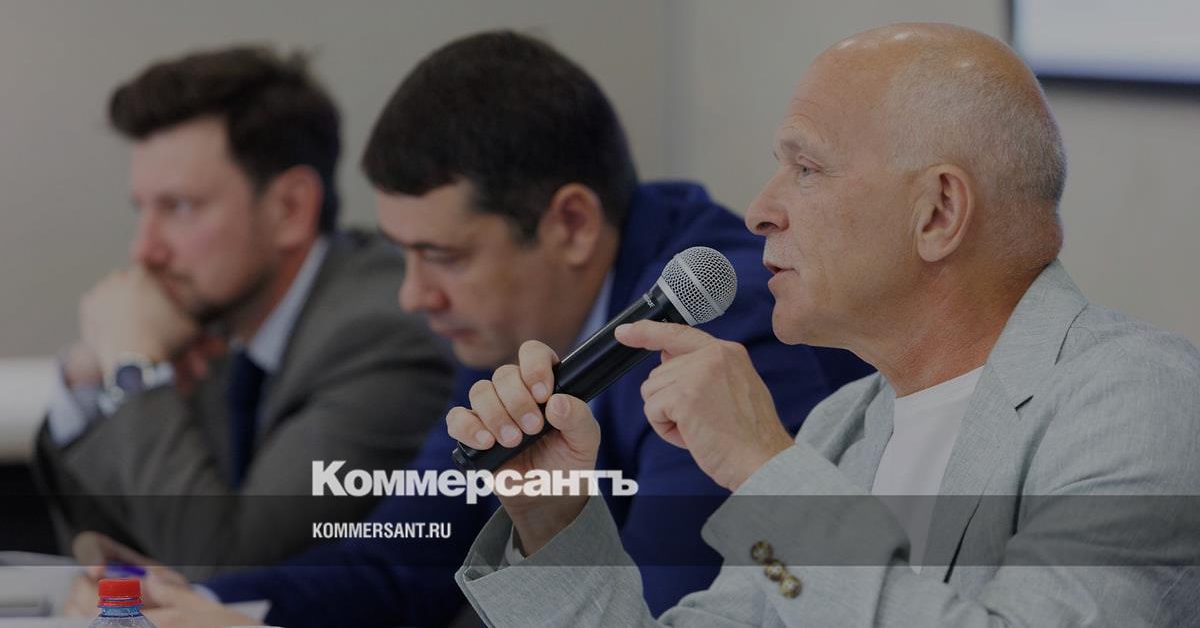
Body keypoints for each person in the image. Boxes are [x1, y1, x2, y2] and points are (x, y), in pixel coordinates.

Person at [100, 31, 872, 627]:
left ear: (571, 223)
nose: (413, 295)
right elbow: (405, 559)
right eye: (404, 253)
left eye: (442, 255)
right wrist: (196, 604)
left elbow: (653, 609)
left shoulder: (724, 328)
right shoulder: (512, 320)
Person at [447, 23, 1200, 626]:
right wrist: (555, 514)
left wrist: (763, 468)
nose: (759, 210)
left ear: (938, 212)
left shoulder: (1138, 397)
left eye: (806, 169)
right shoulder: (841, 427)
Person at [35, 46, 454, 577]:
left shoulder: (381, 337)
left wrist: (134, 367)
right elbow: (112, 560)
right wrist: (87, 378)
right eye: (142, 210)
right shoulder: (212, 327)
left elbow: (228, 570)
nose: (144, 250)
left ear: (290, 208)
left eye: (179, 207)